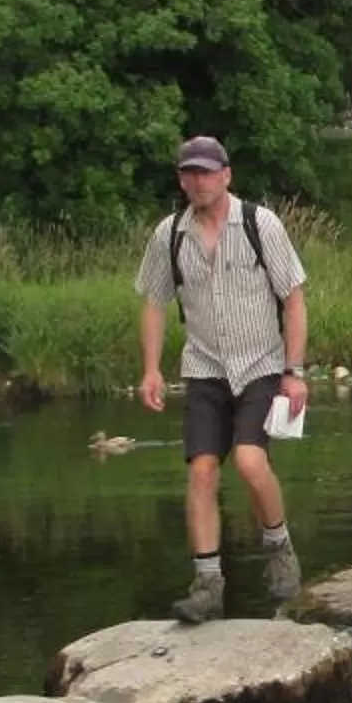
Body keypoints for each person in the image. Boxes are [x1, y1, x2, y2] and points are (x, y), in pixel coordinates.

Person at [136, 136, 310, 618]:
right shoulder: (169, 235)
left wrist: (294, 371)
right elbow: (154, 302)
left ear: (226, 175)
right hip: (205, 367)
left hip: (261, 365)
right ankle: (207, 583)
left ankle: (279, 548)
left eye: (207, 172)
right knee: (201, 469)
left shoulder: (260, 224)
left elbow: (294, 299)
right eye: (189, 173)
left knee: (251, 462)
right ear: (181, 181)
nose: (198, 181)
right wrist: (150, 369)